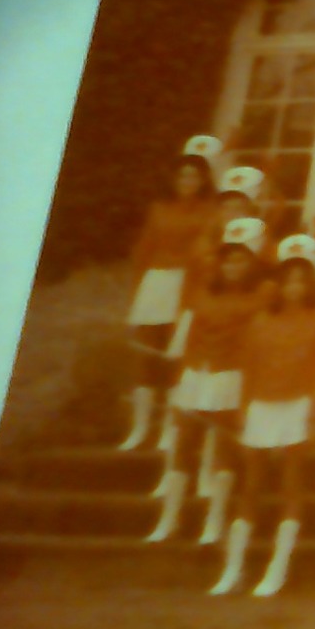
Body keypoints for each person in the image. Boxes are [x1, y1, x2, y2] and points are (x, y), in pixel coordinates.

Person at [210, 234, 315, 596]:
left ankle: (277, 568)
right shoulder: (260, 320)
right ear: (277, 284)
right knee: (250, 485)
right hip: (261, 405)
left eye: (301, 280)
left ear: (310, 283)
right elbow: (248, 367)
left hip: (297, 404)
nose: (294, 288)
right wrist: (242, 409)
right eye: (287, 281)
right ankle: (233, 568)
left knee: (290, 484)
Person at [147, 217, 272, 546]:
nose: (233, 266)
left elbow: (256, 343)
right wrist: (183, 375)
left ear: (252, 262)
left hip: (231, 376)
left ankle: (213, 520)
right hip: (197, 374)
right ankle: (169, 518)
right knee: (184, 442)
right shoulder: (203, 293)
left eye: (240, 259)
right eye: (228, 259)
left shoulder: (260, 296)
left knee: (224, 448)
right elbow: (191, 337)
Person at [120, 135, 219, 452]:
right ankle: (139, 429)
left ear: (203, 180)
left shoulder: (209, 211)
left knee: (178, 358)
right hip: (156, 284)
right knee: (147, 358)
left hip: (187, 284)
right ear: (174, 179)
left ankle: (169, 432)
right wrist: (137, 294)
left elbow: (206, 250)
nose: (187, 181)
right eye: (182, 175)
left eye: (194, 175)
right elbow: (144, 252)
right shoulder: (158, 209)